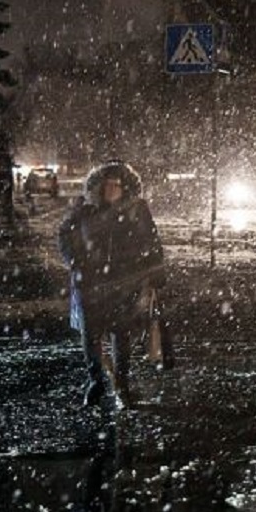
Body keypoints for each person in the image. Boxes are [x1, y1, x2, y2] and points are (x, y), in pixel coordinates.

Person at [57, 160, 166, 408]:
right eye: (108, 185)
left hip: (123, 284)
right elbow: (64, 234)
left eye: (118, 185)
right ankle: (96, 380)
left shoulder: (136, 210)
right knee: (90, 336)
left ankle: (122, 385)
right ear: (99, 186)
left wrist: (154, 276)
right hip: (90, 285)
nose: (113, 189)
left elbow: (152, 242)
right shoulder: (85, 209)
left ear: (126, 187)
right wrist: (75, 261)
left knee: (121, 335)